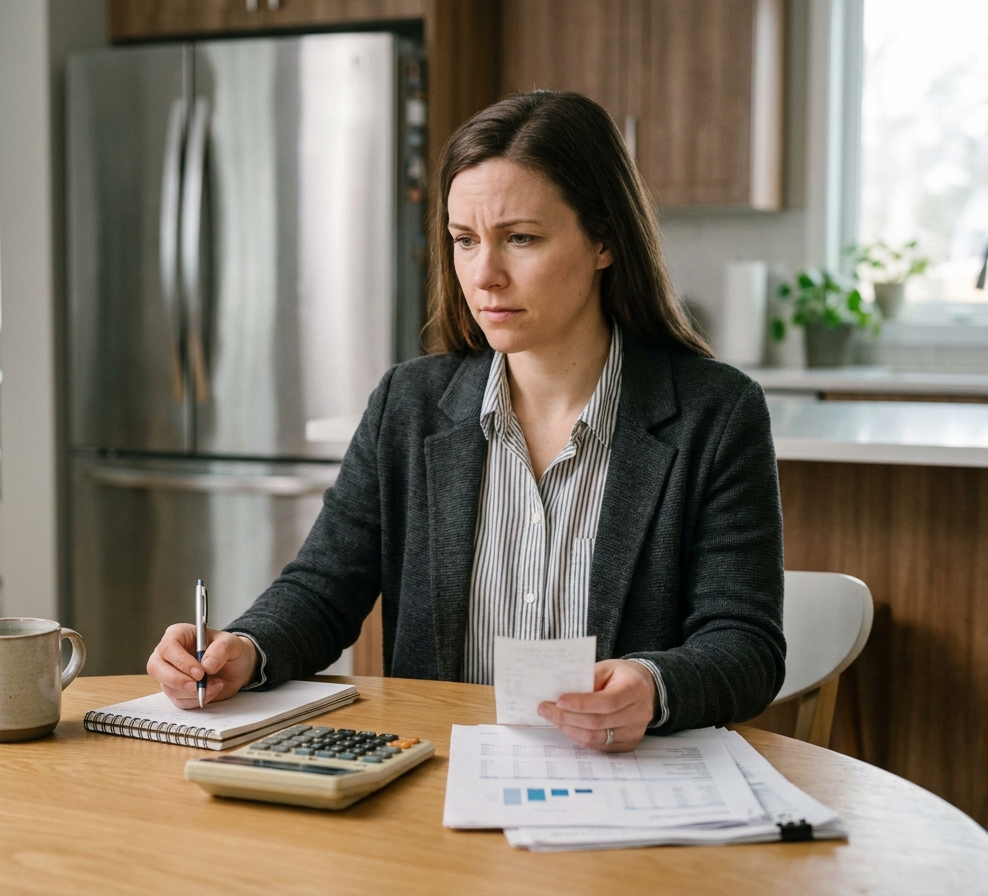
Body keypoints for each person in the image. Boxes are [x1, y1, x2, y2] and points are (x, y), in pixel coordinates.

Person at [148, 91, 785, 752]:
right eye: (464, 241)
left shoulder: (717, 414)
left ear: (604, 240)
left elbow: (745, 644)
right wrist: (245, 647)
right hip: (439, 773)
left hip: (626, 781)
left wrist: (654, 684)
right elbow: (322, 589)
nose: (485, 276)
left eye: (521, 239)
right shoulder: (408, 404)